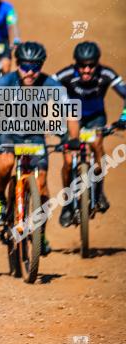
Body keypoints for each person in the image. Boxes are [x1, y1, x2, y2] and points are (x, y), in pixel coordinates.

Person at [0, 42, 71, 255]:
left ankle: (40, 236)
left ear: (41, 66)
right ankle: (0, 198)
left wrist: (70, 137)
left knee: (42, 187)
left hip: (34, 135)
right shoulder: (4, 83)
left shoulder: (50, 84)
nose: (30, 72)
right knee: (6, 164)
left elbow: (69, 111)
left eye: (35, 67)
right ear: (18, 65)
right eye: (26, 67)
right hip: (6, 131)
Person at [52, 41, 126, 226]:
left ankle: (99, 191)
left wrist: (124, 117)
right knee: (69, 161)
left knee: (97, 145)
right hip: (71, 118)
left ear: (97, 64)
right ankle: (68, 205)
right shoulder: (66, 74)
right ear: (75, 63)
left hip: (95, 117)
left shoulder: (106, 74)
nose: (86, 70)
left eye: (91, 65)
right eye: (82, 65)